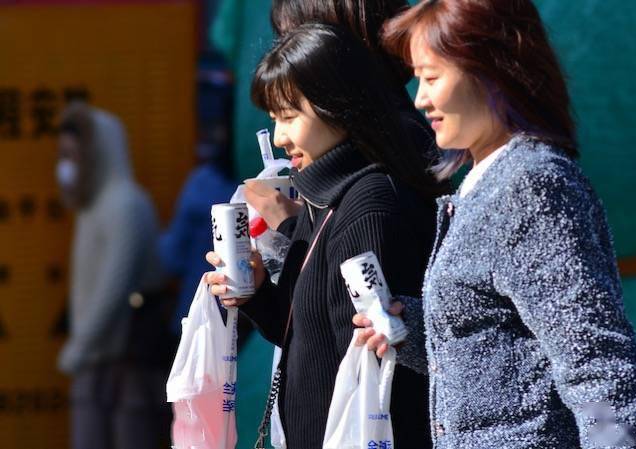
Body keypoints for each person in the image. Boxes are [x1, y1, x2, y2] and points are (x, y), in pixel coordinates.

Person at [354, 0, 636, 447]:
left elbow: (593, 356)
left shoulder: (530, 185)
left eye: (432, 77)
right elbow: (504, 345)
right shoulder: (484, 181)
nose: (420, 98)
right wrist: (412, 331)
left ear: (492, 69)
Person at [205, 24, 446, 448]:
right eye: (274, 120)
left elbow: (373, 364)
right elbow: (308, 338)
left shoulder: (368, 205)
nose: (279, 138)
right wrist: (256, 293)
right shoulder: (327, 197)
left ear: (336, 105)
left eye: (288, 117)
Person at [243, 0, 437, 233]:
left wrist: (292, 229)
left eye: (297, 40)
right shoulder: (344, 159)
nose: (285, 57)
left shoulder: (373, 188)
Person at [55, 102, 169, 449]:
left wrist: (79, 347)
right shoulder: (93, 206)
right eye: (64, 155)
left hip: (125, 361)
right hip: (99, 358)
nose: (66, 165)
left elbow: (114, 287)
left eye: (74, 155)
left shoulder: (125, 204)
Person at [159, 66, 238, 337]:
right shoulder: (270, 185)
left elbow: (171, 258)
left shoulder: (203, 184)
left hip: (198, 323)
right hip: (253, 329)